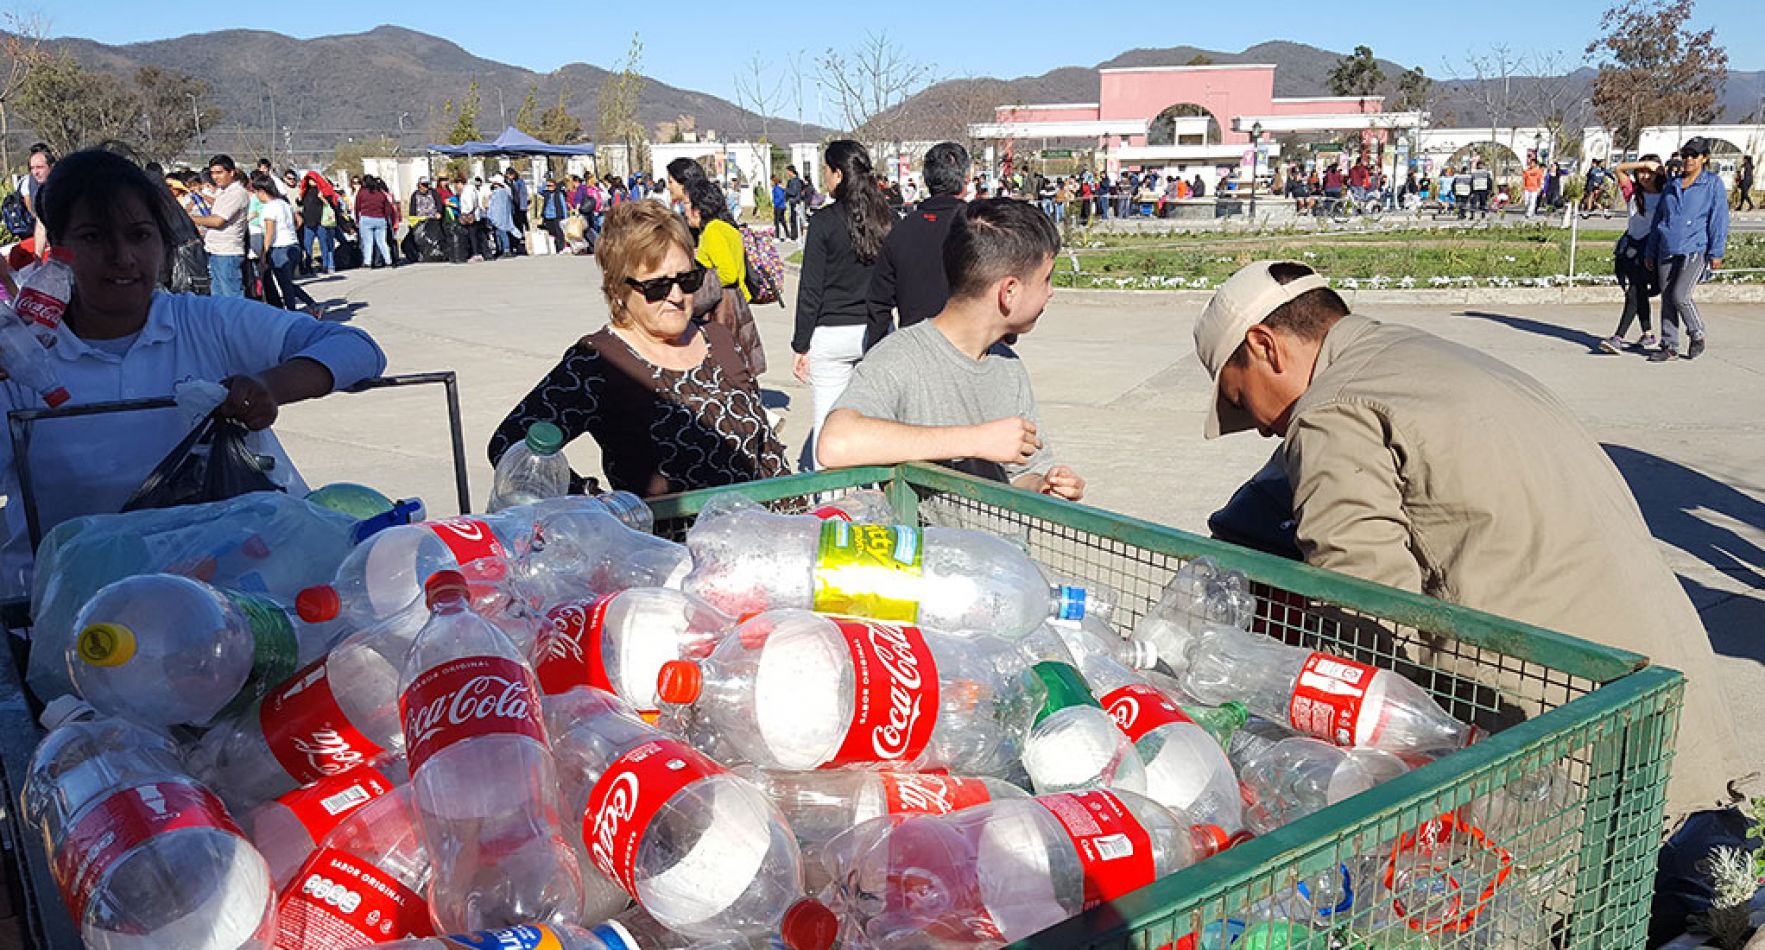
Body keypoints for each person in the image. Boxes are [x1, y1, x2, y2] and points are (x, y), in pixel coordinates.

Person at [1192, 258, 1740, 814]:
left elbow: (1368, 611)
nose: (1263, 428)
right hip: (1669, 695)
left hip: (1570, 743)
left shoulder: (1331, 409)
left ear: (1265, 346)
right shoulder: (1419, 355)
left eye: (1241, 400)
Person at [2, 148, 384, 595]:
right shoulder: (20, 356)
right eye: (93, 237)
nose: (123, 256)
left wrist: (268, 386)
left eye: (140, 235)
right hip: (66, 605)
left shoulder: (205, 322)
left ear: (163, 243)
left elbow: (358, 349)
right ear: (58, 249)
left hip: (222, 601)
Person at [488, 200, 788, 496]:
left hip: (757, 524)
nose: (676, 296)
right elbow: (510, 443)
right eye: (657, 286)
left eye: (687, 279)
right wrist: (597, 505)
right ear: (618, 289)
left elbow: (767, 450)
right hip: (664, 530)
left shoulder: (717, 338)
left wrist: (800, 515)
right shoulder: (599, 361)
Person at [818, 198, 1083, 500]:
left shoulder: (1008, 365)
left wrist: (1043, 485)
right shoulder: (900, 357)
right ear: (1008, 291)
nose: (1051, 292)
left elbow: (1023, 472)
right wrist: (976, 440)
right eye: (1046, 279)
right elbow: (835, 443)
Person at [790, 140, 894, 470]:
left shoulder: (823, 222)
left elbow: (810, 289)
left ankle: (829, 496)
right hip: (876, 330)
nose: (824, 176)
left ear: (838, 173)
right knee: (875, 420)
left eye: (826, 169)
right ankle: (876, 487)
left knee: (827, 422)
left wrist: (801, 344)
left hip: (831, 333)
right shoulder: (888, 220)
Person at [868, 141, 970, 334]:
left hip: (914, 339)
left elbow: (879, 301)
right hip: (970, 341)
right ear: (967, 178)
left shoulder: (901, 230)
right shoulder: (980, 227)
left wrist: (878, 344)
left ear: (927, 179)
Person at [1646, 137, 1727, 362]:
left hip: (1695, 248)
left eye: (1694, 155)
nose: (1689, 159)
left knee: (1681, 295)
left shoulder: (1712, 184)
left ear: (1704, 158)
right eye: (1685, 155)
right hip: (1667, 247)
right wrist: (1650, 251)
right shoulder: (1672, 185)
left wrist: (1717, 251)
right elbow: (1659, 219)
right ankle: (1669, 345)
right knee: (1667, 298)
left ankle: (1697, 333)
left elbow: (1719, 219)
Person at [683, 177, 765, 379]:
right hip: (736, 304)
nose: (684, 210)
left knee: (723, 367)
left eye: (686, 204)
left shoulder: (713, 231)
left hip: (722, 309)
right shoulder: (727, 228)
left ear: (698, 209)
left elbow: (728, 273)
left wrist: (701, 281)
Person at [1599, 155, 1665, 355]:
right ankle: (1648, 334)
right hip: (1632, 247)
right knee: (1638, 291)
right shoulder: (1633, 193)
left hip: (1651, 249)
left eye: (1649, 173)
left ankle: (1619, 337)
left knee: (1635, 292)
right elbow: (1619, 169)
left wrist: (1659, 169)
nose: (1645, 176)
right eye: (1641, 173)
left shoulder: (1666, 194)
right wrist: (1643, 164)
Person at [250, 173, 322, 317]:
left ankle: (293, 313)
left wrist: (264, 254)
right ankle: (311, 305)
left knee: (285, 285)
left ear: (261, 191)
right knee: (286, 282)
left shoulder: (269, 208)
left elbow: (269, 232)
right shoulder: (284, 204)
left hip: (279, 248)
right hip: (293, 244)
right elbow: (299, 221)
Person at [188, 154, 250, 297]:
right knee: (218, 298)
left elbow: (218, 221)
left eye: (219, 172)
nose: (215, 177)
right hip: (215, 251)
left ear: (231, 172)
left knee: (231, 298)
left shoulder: (236, 193)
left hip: (227, 253)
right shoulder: (223, 192)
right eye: (212, 173)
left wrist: (190, 218)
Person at [353, 176, 398, 268]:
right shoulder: (380, 193)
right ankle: (388, 261)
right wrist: (385, 217)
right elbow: (387, 208)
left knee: (368, 242)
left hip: (366, 218)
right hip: (380, 219)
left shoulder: (362, 193)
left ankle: (367, 262)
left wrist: (357, 219)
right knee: (382, 242)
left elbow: (357, 207)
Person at [297, 174, 335, 275]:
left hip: (320, 222)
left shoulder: (322, 190)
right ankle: (308, 266)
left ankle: (325, 265)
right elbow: (301, 203)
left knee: (323, 244)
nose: (311, 182)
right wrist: (299, 198)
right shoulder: (305, 191)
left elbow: (329, 204)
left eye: (313, 180)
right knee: (307, 245)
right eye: (309, 180)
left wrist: (322, 198)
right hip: (308, 222)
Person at [23, 142, 54, 253]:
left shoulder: (64, 189)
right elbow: (41, 225)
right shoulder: (38, 190)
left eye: (40, 167)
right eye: (32, 168)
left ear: (51, 167)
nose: (35, 172)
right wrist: (37, 259)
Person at [486, 179, 516, 259]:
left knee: (502, 233)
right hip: (498, 216)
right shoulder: (502, 192)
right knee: (497, 234)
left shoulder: (501, 192)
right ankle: (500, 249)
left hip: (499, 216)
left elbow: (496, 205)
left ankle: (506, 250)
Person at [539, 177, 568, 254]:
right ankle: (553, 247)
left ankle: (561, 247)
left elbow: (563, 206)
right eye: (548, 186)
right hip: (547, 216)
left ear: (555, 186)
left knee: (558, 232)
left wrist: (565, 217)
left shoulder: (559, 194)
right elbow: (539, 190)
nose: (549, 187)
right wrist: (545, 183)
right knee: (551, 233)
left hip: (557, 215)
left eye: (551, 186)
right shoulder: (546, 193)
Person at [504, 167, 529, 254]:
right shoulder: (507, 183)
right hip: (513, 208)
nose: (509, 177)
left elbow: (522, 195)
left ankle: (520, 245)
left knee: (520, 226)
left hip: (520, 208)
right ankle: (514, 245)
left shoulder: (519, 182)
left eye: (510, 175)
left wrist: (523, 208)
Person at [783, 165, 804, 240]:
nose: (787, 173)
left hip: (795, 202)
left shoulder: (795, 181)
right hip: (792, 202)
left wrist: (785, 189)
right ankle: (794, 235)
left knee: (795, 219)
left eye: (787, 172)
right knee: (792, 219)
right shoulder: (792, 181)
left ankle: (796, 235)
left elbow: (794, 192)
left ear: (791, 171)